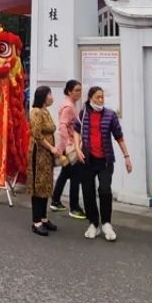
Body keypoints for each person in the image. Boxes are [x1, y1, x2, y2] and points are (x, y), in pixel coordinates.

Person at [77, 86, 132, 241]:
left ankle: (106, 223)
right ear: (90, 98)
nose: (100, 100)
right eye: (97, 97)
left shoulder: (110, 115)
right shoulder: (84, 114)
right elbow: (76, 130)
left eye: (102, 97)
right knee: (88, 191)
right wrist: (76, 147)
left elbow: (119, 136)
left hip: (105, 160)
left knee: (105, 190)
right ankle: (93, 223)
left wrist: (127, 156)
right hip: (88, 159)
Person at [28, 85, 64, 236]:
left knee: (46, 184)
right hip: (39, 152)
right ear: (43, 96)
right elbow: (37, 135)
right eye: (49, 94)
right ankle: (36, 221)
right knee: (38, 185)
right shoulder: (36, 112)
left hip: (47, 154)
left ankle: (43, 218)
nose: (52, 97)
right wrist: (51, 148)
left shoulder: (46, 111)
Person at [51, 80, 84, 219]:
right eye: (76, 90)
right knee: (75, 176)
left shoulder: (70, 104)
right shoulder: (69, 107)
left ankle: (56, 200)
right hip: (70, 147)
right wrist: (70, 143)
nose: (79, 93)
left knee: (65, 173)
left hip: (67, 146)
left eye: (80, 90)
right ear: (69, 91)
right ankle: (74, 207)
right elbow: (63, 126)